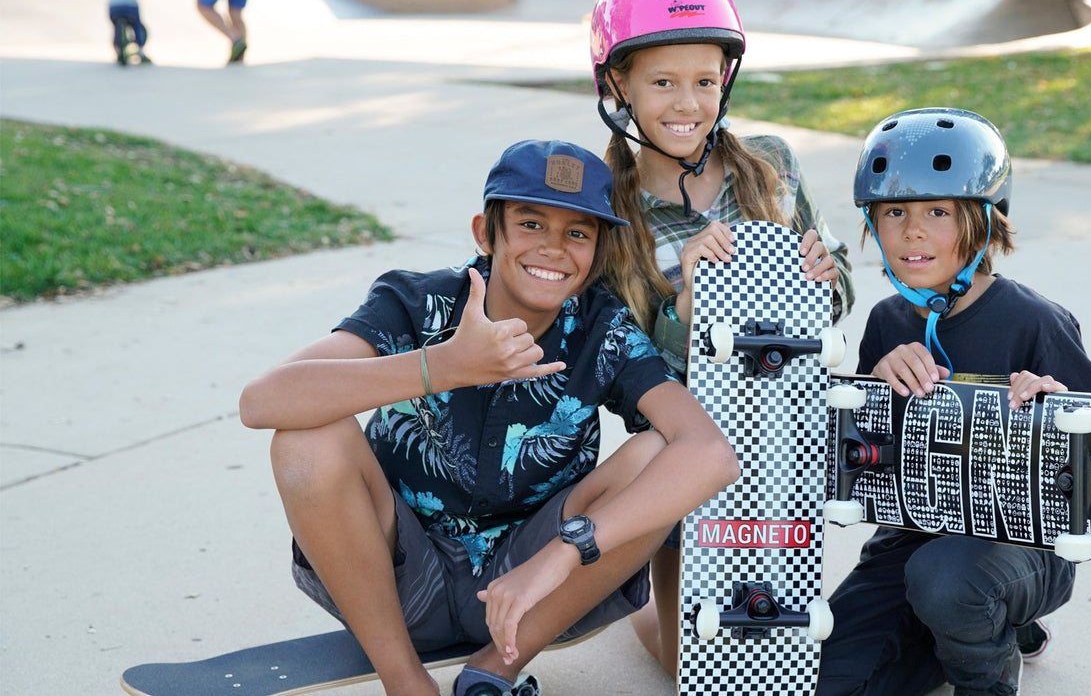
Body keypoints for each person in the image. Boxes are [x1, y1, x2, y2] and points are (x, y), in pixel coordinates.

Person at [239, 139, 740, 696]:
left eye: (578, 233)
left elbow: (709, 453)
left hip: (536, 596)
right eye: (530, 223)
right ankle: (406, 683)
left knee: (657, 453)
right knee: (308, 439)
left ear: (597, 253)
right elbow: (262, 402)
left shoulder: (604, 328)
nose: (553, 248)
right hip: (398, 583)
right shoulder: (418, 301)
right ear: (486, 232)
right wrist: (444, 366)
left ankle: (492, 672)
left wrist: (562, 553)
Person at [585, 0, 856, 674]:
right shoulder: (608, 213)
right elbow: (618, 362)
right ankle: (641, 602)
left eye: (705, 81)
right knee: (691, 664)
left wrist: (827, 280)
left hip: (780, 432)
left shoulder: (770, 165)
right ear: (618, 86)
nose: (688, 102)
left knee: (773, 643)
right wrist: (686, 307)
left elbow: (841, 288)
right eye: (663, 82)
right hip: (680, 449)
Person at [816, 108, 1091, 696]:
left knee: (946, 582)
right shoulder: (886, 321)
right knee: (828, 683)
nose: (913, 231)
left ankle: (990, 662)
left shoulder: (1032, 319)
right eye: (894, 212)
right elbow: (863, 460)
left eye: (938, 212)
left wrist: (1056, 410)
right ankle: (979, 629)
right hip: (912, 539)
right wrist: (876, 390)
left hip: (1021, 543)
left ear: (984, 222)